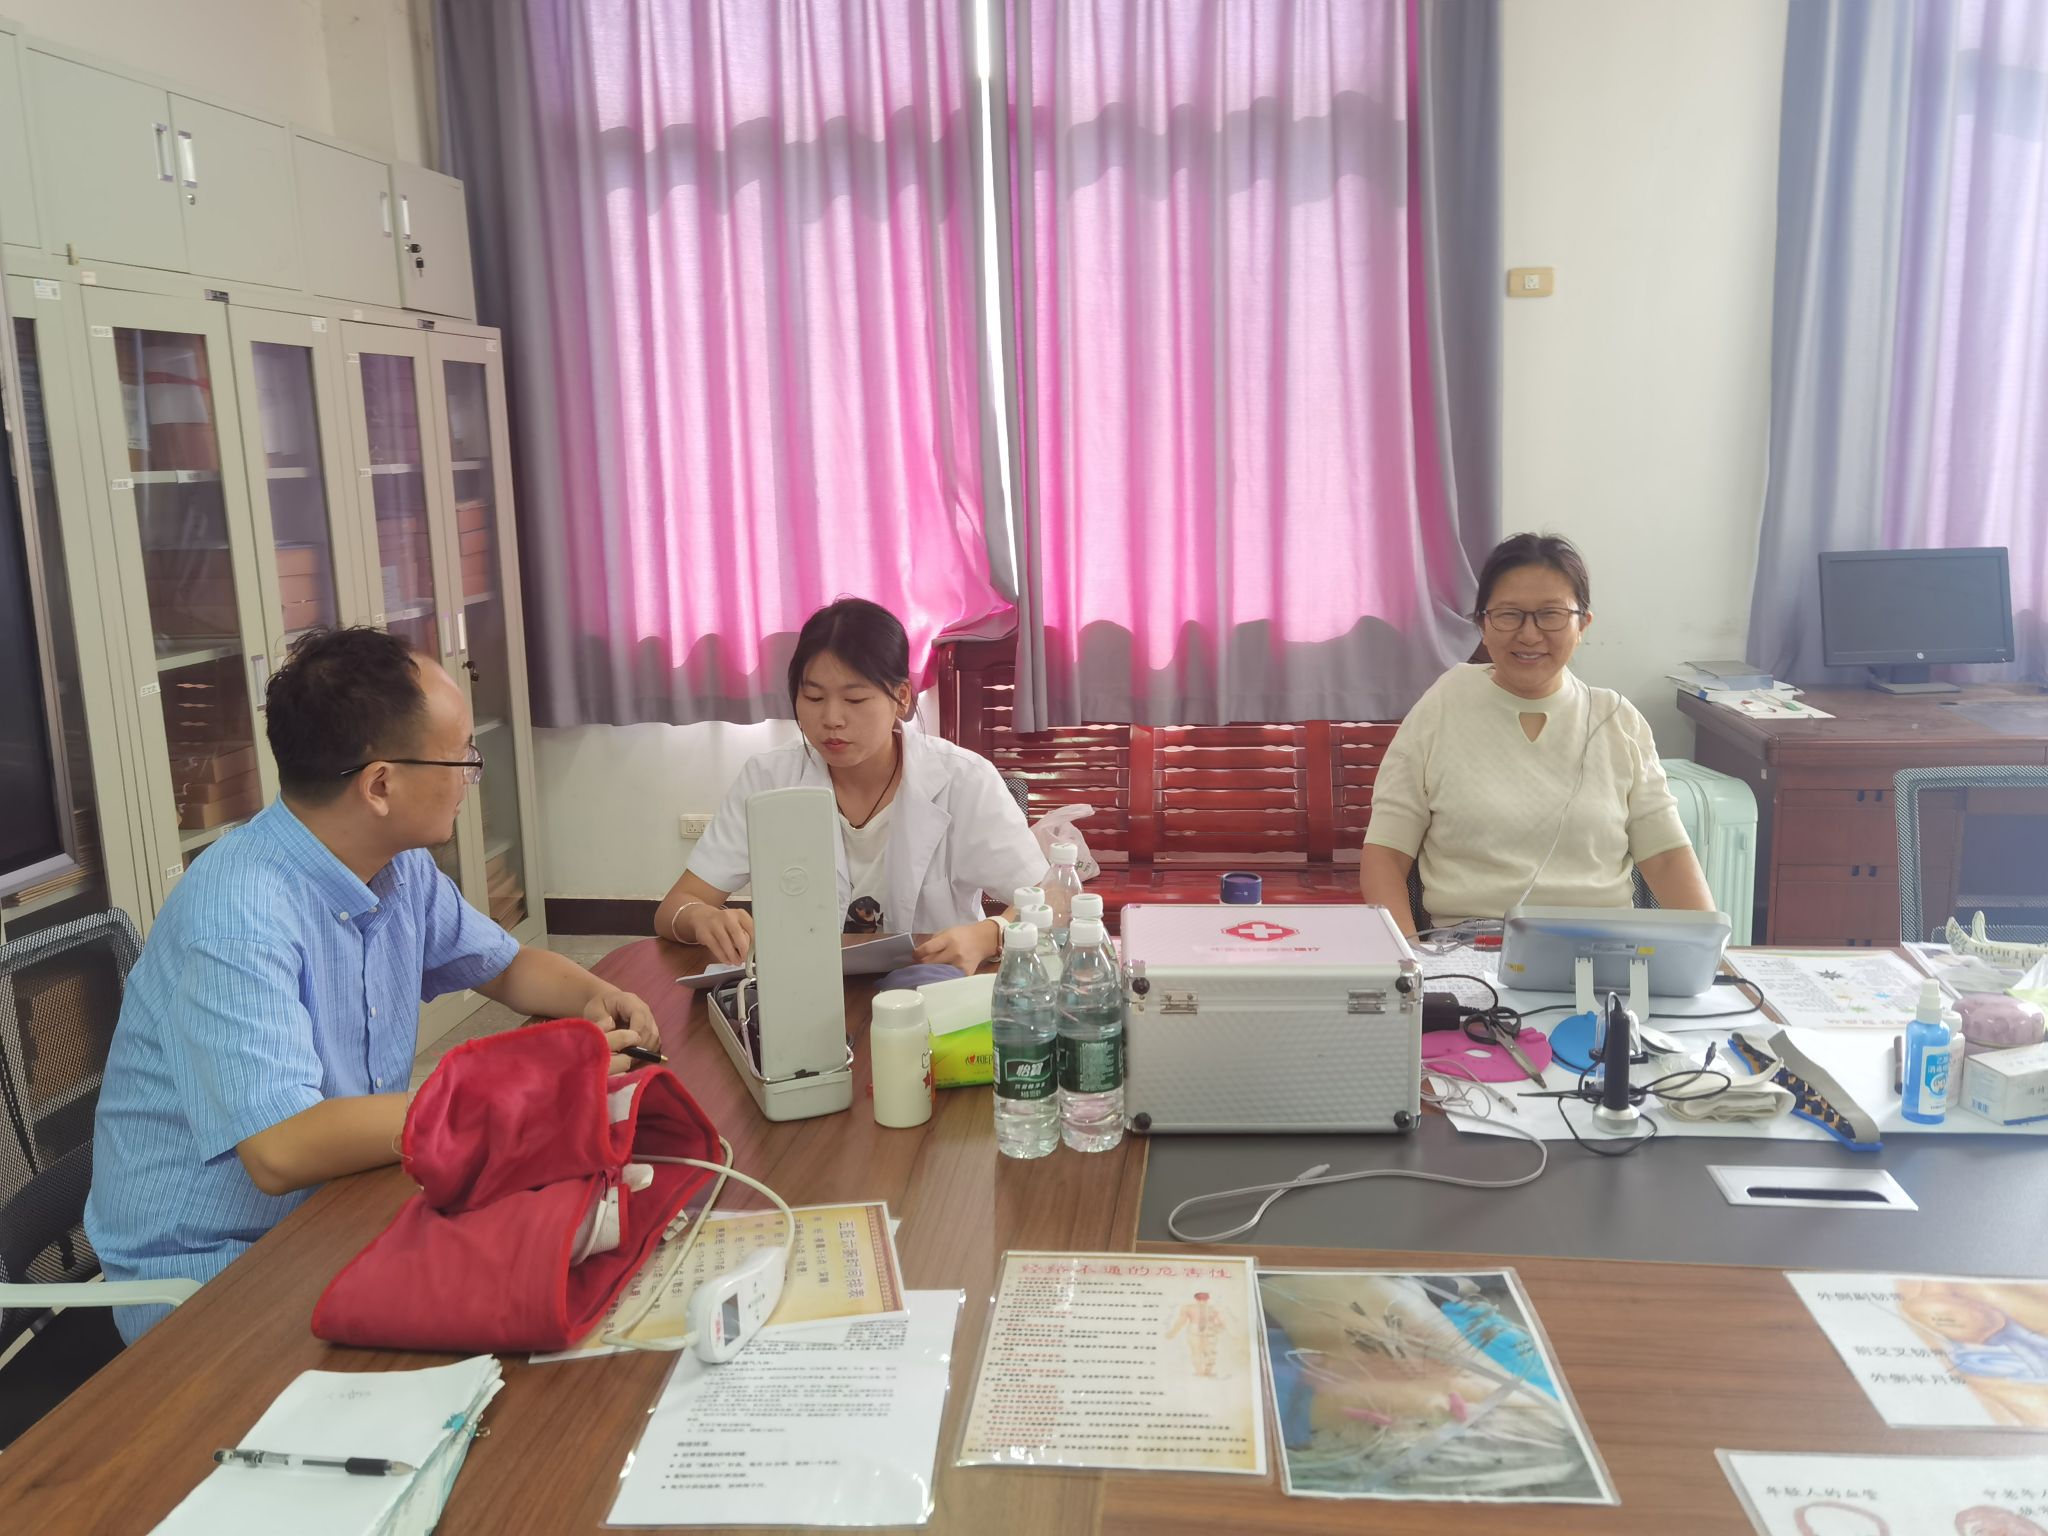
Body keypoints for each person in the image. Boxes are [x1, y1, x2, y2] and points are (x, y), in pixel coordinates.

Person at [84, 628, 660, 1341]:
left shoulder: (395, 864)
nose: (469, 776)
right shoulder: (238, 915)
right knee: (529, 1314)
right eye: (460, 758)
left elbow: (506, 965)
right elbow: (281, 1149)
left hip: (338, 1208)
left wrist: (594, 996)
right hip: (216, 1277)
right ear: (380, 785)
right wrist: (494, 1098)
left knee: (579, 1246)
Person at [655, 598, 1043, 974]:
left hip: (931, 989)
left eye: (854, 699)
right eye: (813, 697)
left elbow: (1052, 898)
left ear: (901, 698)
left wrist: (992, 934)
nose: (831, 718)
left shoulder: (964, 780)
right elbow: (675, 906)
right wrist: (702, 917)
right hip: (803, 988)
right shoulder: (768, 779)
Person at [1360, 532, 1714, 937]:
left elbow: (1667, 859)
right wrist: (1412, 958)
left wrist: (1710, 956)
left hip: (1602, 952)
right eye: (1509, 614)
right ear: (1482, 624)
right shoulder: (1441, 708)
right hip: (1471, 950)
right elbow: (1385, 855)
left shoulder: (1616, 720)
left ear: (1582, 625)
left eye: (1551, 615)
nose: (1529, 635)